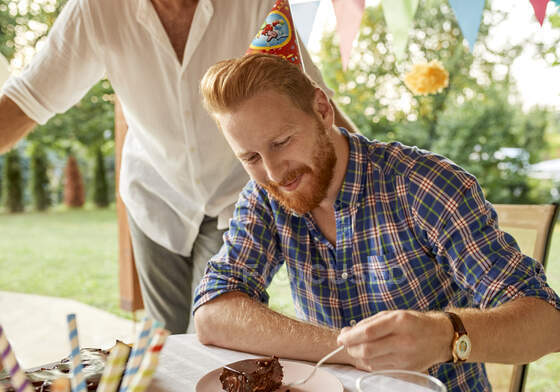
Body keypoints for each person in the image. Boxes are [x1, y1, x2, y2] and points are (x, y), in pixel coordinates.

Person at [193, 53, 560, 392]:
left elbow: (549, 325)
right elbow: (212, 313)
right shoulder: (265, 196)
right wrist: (346, 347)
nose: (274, 173)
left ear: (322, 110)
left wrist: (446, 335)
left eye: (282, 142)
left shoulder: (425, 186)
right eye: (251, 158)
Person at [0, 0, 355, 334]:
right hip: (155, 195)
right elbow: (26, 98)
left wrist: (372, 169)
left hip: (233, 196)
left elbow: (309, 99)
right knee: (162, 337)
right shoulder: (97, 9)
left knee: (216, 324)